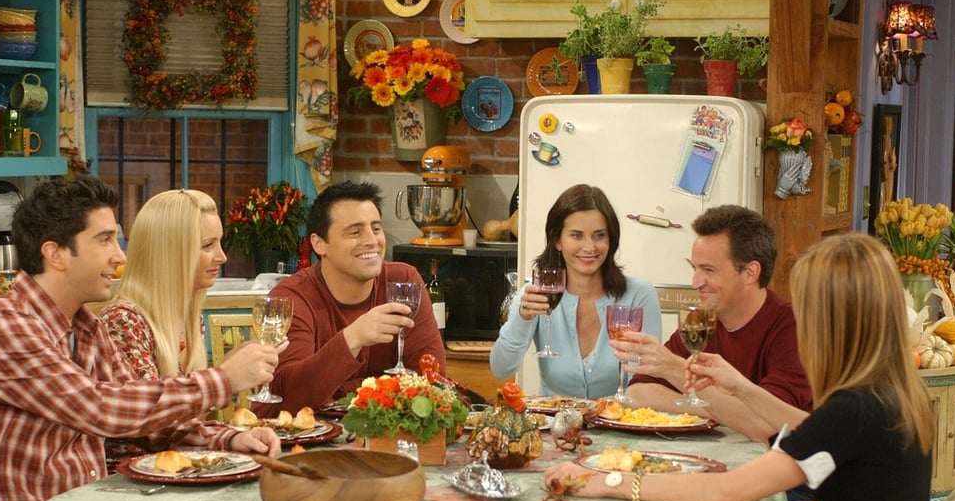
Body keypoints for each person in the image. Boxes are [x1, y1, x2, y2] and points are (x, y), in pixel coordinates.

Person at [546, 234, 934, 501]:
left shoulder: (852, 410)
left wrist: (606, 482)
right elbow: (810, 430)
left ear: (832, 321)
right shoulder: (893, 394)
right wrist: (740, 386)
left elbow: (728, 493)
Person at [0, 177, 280, 501]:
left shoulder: (87, 328)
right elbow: (99, 408)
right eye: (104, 240)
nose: (120, 256)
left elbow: (141, 413)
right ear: (55, 253)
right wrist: (224, 380)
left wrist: (225, 439)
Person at [99, 189, 282, 469]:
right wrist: (225, 377)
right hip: (126, 484)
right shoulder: (123, 320)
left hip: (173, 472)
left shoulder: (189, 317)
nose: (221, 256)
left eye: (219, 243)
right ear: (170, 253)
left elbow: (178, 425)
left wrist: (232, 439)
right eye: (207, 245)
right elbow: (151, 423)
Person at [254, 180, 446, 416]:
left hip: (376, 440)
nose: (371, 240)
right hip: (293, 446)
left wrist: (348, 389)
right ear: (319, 244)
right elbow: (291, 397)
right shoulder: (291, 299)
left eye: (376, 229)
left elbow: (432, 379)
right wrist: (353, 338)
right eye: (355, 232)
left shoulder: (403, 282)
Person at [622, 205, 811, 442]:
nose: (695, 282)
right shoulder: (700, 321)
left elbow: (766, 426)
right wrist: (719, 409)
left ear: (750, 273)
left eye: (708, 270)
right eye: (694, 268)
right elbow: (637, 394)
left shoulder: (792, 328)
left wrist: (676, 371)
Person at [490, 184, 661, 397]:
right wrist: (522, 320)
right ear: (557, 240)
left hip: (619, 424)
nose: (589, 247)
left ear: (611, 239)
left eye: (599, 235)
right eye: (577, 236)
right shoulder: (536, 295)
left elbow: (648, 378)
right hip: (553, 426)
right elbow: (500, 369)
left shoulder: (639, 295)